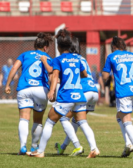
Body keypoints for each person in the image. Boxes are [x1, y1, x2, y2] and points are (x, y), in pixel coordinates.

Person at [30, 29, 99, 158]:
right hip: (79, 95)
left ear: (58, 46)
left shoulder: (58, 59)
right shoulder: (77, 58)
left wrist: (51, 91)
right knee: (83, 122)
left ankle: (40, 151)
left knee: (50, 121)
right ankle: (94, 148)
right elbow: (84, 74)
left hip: (66, 96)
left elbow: (54, 75)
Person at [4, 33, 53, 155]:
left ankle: (22, 147)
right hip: (41, 90)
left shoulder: (24, 54)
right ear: (45, 47)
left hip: (24, 89)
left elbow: (14, 68)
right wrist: (53, 91)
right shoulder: (48, 57)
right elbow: (52, 75)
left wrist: (8, 84)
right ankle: (34, 147)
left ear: (35, 45)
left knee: (24, 118)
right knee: (38, 120)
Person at [102, 36, 133, 159]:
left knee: (126, 120)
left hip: (124, 92)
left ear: (113, 47)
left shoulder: (111, 57)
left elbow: (105, 77)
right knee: (119, 116)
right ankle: (128, 144)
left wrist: (107, 72)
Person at [54, 37, 100, 156]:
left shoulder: (69, 59)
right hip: (94, 90)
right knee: (76, 120)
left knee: (64, 118)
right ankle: (64, 147)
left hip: (83, 91)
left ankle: (79, 146)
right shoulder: (82, 58)